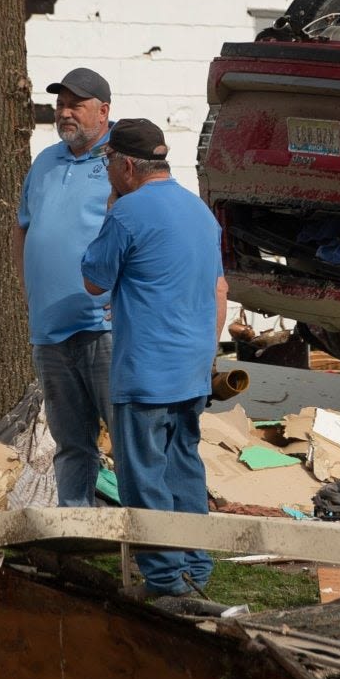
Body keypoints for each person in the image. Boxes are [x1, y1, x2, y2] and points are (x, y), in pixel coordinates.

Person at [79, 117, 225, 598]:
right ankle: (195, 571)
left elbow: (94, 281)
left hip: (146, 370)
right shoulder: (201, 211)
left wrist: (111, 211)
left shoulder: (127, 212)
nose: (106, 172)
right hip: (191, 367)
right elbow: (218, 288)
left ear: (124, 165)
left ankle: (166, 581)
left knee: (143, 479)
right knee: (184, 471)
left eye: (106, 163)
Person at [16, 66, 114, 507]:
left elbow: (140, 234)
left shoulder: (120, 163)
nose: (65, 113)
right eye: (60, 104)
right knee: (71, 444)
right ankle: (79, 528)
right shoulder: (45, 161)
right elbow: (23, 228)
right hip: (50, 329)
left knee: (129, 443)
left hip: (103, 328)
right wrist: (28, 293)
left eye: (76, 104)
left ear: (104, 110)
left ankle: (144, 542)